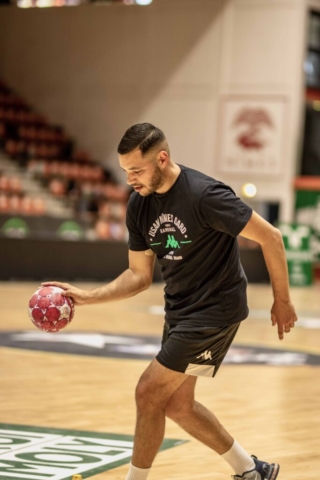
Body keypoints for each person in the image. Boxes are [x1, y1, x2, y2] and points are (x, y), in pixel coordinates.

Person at [43, 123, 297, 480]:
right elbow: (138, 276)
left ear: (162, 158)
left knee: (148, 393)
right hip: (179, 310)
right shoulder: (139, 205)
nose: (130, 178)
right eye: (126, 171)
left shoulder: (205, 195)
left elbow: (271, 237)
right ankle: (252, 471)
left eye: (137, 169)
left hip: (215, 311)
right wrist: (87, 297)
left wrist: (282, 300)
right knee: (178, 405)